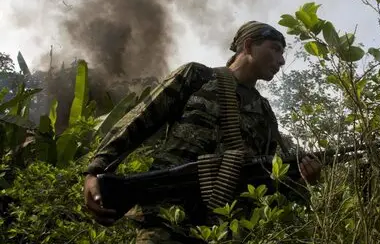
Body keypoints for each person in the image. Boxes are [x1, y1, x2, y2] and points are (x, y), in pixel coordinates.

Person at [82, 21, 323, 243]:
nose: (281, 60)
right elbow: (140, 120)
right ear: (249, 45)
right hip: (167, 216)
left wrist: (302, 179)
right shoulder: (197, 76)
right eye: (275, 49)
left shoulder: (265, 112)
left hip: (222, 230)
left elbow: (266, 175)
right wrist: (95, 170)